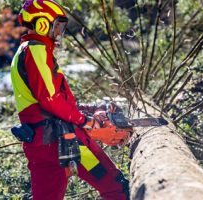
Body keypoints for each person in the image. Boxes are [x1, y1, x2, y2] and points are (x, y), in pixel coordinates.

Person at [10, 0, 129, 199]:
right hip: (66, 142)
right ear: (41, 24)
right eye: (57, 25)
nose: (59, 32)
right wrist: (86, 121)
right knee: (115, 187)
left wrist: (86, 110)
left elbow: (43, 101)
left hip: (39, 145)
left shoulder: (21, 53)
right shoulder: (36, 49)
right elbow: (50, 99)